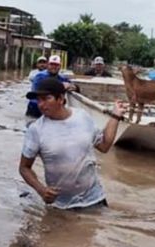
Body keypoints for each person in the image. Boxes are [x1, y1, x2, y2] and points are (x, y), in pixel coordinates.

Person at [19, 77, 126, 210]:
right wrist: (41, 190)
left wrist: (115, 116)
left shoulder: (82, 117)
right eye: (39, 100)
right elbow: (24, 168)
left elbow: (104, 145)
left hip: (94, 200)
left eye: (47, 98)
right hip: (60, 206)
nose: (41, 104)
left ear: (61, 99)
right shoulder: (36, 130)